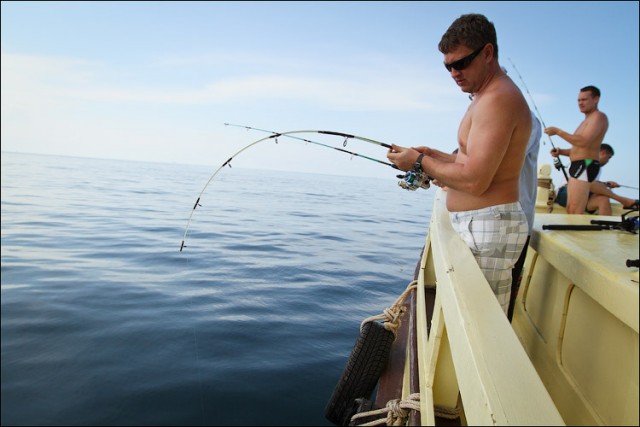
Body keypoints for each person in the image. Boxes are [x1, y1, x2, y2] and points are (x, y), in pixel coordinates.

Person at [387, 13, 530, 316]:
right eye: (448, 66)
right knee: (470, 317)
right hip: (481, 226)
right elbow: (472, 162)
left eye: (461, 63)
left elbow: (476, 180)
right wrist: (437, 157)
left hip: (489, 228)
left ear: (488, 53)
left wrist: (420, 161)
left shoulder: (498, 98)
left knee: (482, 324)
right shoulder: (485, 96)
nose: (454, 73)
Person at [544, 86, 609, 214]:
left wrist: (558, 131)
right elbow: (578, 148)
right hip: (577, 165)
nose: (580, 103)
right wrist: (561, 152)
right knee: (571, 209)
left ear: (596, 99)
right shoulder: (586, 120)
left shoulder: (599, 117)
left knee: (575, 210)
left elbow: (584, 141)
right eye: (578, 100)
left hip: (586, 164)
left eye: (584, 99)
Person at [507, 111, 541, 322]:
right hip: (484, 225)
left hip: (512, 225)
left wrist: (427, 163)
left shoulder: (524, 118)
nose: (456, 75)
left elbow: (497, 162)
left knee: (501, 302)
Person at [552, 143, 639, 214]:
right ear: (603, 153)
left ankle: (605, 230)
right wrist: (560, 151)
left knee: (603, 199)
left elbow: (592, 184)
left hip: (584, 195)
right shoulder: (586, 159)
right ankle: (623, 200)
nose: (608, 161)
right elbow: (586, 181)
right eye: (608, 158)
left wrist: (606, 184)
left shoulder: (598, 167)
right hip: (565, 193)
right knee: (588, 183)